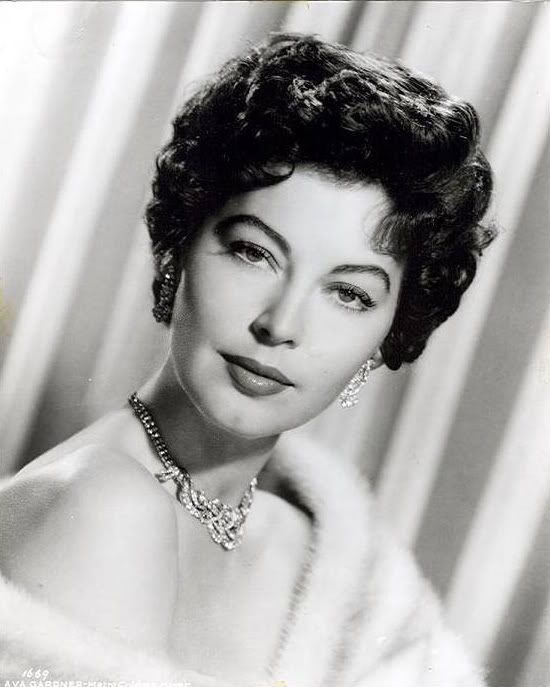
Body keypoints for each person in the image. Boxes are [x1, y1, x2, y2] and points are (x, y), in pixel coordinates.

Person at [0, 33, 495, 686]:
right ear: (178, 247)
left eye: (348, 293)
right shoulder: (104, 505)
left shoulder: (323, 560)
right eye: (254, 253)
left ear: (386, 337)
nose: (280, 325)